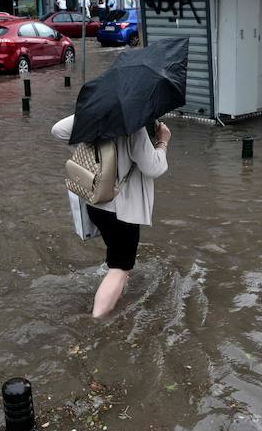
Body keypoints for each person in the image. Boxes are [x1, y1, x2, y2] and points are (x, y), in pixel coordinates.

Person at [52, 117, 172, 318]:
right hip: (122, 211)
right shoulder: (134, 127)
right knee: (120, 268)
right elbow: (154, 168)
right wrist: (162, 141)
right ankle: (97, 320)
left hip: (95, 201)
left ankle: (113, 294)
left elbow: (58, 130)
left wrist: (93, 148)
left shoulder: (96, 114)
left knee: (116, 258)